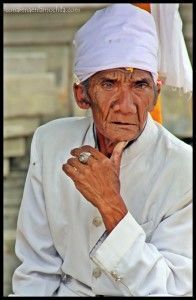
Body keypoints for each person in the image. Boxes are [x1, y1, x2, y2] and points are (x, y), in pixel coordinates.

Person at [11, 4, 192, 296]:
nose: (126, 104)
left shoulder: (183, 168)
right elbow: (36, 270)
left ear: (156, 92)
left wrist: (111, 205)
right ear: (82, 95)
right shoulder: (50, 143)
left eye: (140, 85)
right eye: (109, 84)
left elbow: (172, 289)